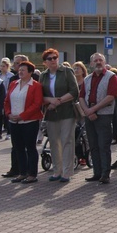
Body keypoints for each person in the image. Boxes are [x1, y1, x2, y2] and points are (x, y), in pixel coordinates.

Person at [80, 53, 117, 184]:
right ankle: (96, 173)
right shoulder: (87, 78)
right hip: (89, 115)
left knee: (103, 145)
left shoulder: (111, 77)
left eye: (100, 60)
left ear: (104, 62)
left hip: (104, 115)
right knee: (93, 145)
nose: (98, 62)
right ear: (91, 63)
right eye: (95, 60)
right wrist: (87, 111)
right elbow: (81, 97)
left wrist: (93, 109)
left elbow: (112, 96)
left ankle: (105, 174)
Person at [40, 49, 79, 183]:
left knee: (67, 141)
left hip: (67, 111)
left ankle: (67, 172)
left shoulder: (67, 71)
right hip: (51, 113)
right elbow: (40, 95)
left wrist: (59, 101)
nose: (53, 60)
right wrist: (51, 101)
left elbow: (74, 91)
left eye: (55, 57)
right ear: (45, 62)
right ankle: (57, 171)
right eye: (49, 58)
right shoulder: (43, 75)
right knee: (54, 142)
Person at [5, 61, 43, 184]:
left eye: (23, 70)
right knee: (18, 148)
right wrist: (9, 113)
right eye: (19, 70)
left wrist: (22, 116)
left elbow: (37, 104)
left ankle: (32, 174)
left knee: (30, 147)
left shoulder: (36, 86)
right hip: (14, 122)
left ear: (30, 72)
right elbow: (6, 101)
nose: (20, 72)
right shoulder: (13, 84)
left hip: (29, 122)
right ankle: (22, 173)